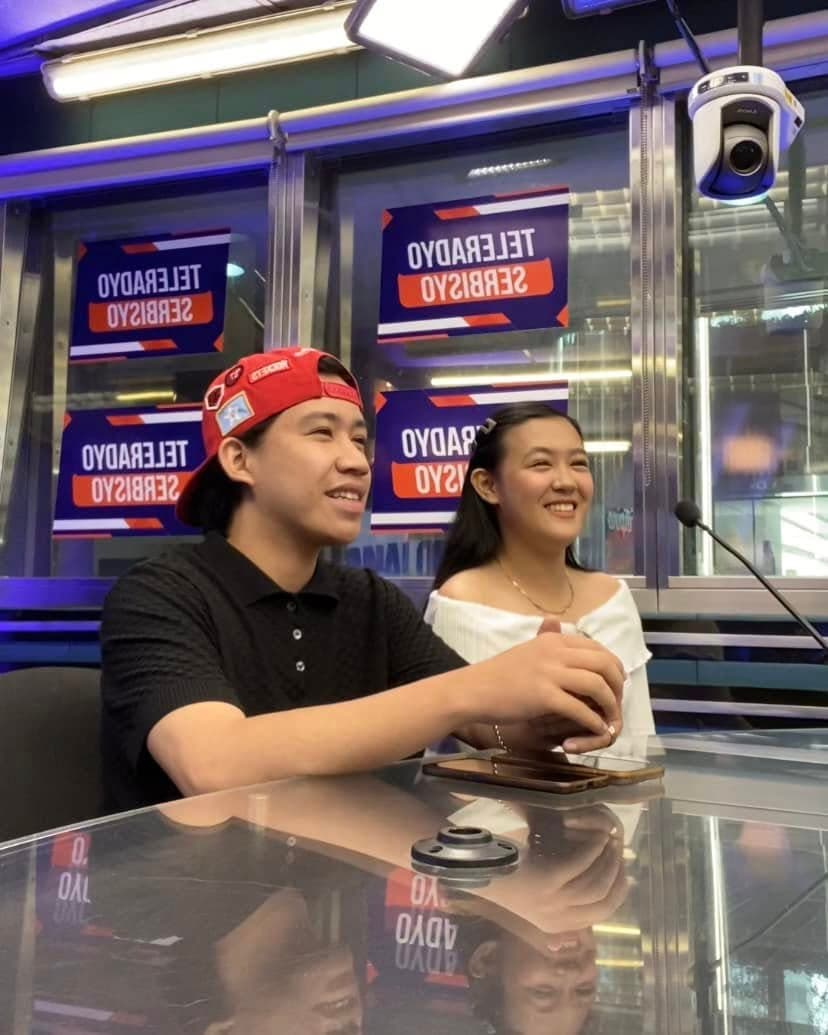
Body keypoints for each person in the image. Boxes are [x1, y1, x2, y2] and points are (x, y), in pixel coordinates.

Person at [100, 349, 626, 810]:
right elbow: (213, 764)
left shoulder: (372, 601)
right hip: (194, 890)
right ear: (240, 460)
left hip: (349, 883)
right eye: (321, 433)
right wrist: (476, 688)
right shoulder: (161, 595)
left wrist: (546, 718)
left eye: (359, 439)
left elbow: (486, 728)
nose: (356, 462)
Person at [425, 403, 654, 759]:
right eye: (541, 464)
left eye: (578, 463)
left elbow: (640, 742)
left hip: (620, 795)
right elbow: (461, 749)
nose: (566, 482)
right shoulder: (462, 601)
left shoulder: (614, 596)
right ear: (488, 486)